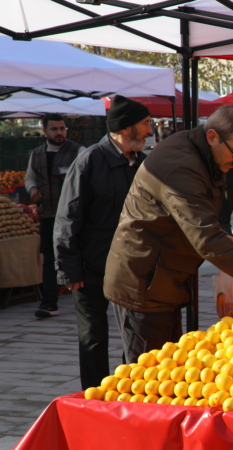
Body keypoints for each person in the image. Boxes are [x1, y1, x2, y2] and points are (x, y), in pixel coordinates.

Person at [103, 105, 233, 364]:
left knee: (169, 368)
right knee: (147, 373)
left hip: (166, 279)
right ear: (212, 136)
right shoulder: (180, 166)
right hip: (143, 283)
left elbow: (205, 217)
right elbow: (206, 239)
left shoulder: (206, 156)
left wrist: (224, 235)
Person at [53, 95, 152, 390]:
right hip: (90, 268)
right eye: (145, 124)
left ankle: (129, 394)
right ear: (126, 128)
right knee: (93, 338)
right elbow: (67, 218)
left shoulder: (143, 165)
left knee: (134, 337)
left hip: (130, 269)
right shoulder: (89, 160)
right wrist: (69, 270)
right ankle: (94, 398)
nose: (150, 130)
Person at [24, 113, 86, 318]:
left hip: (74, 217)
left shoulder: (79, 152)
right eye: (54, 129)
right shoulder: (37, 153)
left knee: (79, 256)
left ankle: (86, 302)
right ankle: (49, 303)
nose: (60, 132)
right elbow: (30, 177)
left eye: (62, 128)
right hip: (48, 216)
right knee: (50, 259)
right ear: (45, 131)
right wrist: (32, 189)